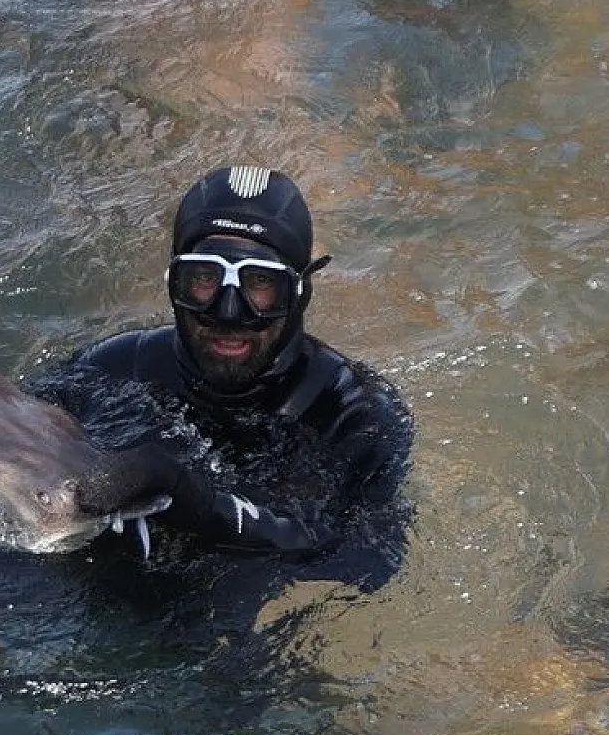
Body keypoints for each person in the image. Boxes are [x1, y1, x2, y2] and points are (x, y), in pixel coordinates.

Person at [43, 165, 413, 577]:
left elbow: (367, 561)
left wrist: (193, 499)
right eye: (204, 277)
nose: (229, 311)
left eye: (259, 282)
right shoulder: (114, 366)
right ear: (172, 282)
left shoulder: (350, 411)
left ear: (299, 291)